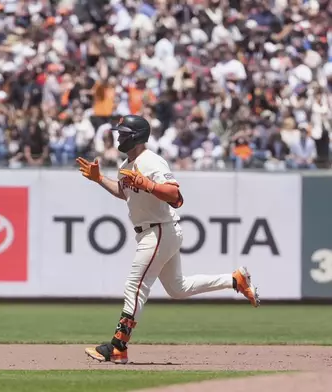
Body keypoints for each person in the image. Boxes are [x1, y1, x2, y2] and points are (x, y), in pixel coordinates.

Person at [75, 115, 259, 365]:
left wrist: (146, 183)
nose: (118, 136)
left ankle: (119, 346)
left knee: (135, 286)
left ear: (135, 136)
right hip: (157, 230)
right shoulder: (129, 162)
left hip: (158, 230)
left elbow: (175, 196)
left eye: (123, 132)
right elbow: (125, 193)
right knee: (178, 288)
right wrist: (100, 179)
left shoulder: (151, 161)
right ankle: (234, 280)